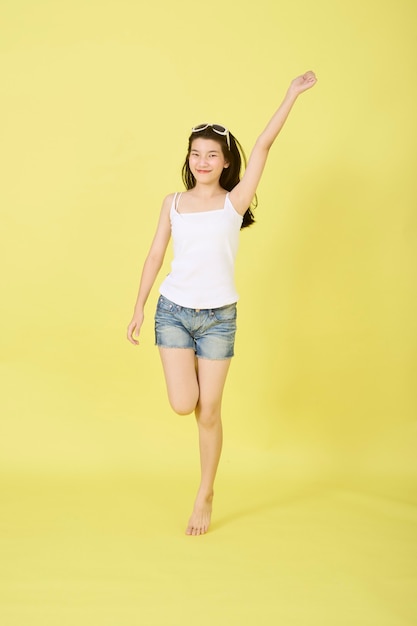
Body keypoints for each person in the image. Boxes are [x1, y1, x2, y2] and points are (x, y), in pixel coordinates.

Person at [127, 71, 317, 536]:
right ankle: (187, 380)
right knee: (183, 403)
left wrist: (289, 95)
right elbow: (155, 255)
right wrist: (138, 308)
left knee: (208, 412)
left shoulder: (235, 202)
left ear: (227, 161)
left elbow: (266, 145)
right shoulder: (172, 203)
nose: (203, 160)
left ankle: (205, 492)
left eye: (213, 154)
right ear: (188, 160)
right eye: (196, 154)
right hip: (172, 312)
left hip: (218, 320)